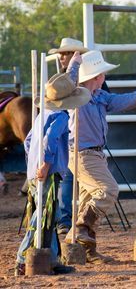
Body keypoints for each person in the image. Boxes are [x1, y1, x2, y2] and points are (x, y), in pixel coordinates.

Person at [64, 50, 136, 264]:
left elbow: (125, 101)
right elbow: (66, 85)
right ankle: (80, 229)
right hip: (82, 153)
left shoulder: (100, 97)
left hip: (92, 154)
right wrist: (74, 66)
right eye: (102, 73)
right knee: (108, 190)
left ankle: (82, 247)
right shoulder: (76, 94)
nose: (104, 76)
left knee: (88, 199)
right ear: (98, 76)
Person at [15, 52, 91, 276]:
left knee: (48, 214)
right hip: (46, 172)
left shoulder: (44, 113)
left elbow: (29, 141)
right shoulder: (60, 117)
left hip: (34, 172)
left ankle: (53, 258)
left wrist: (34, 163)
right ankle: (23, 257)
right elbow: (50, 141)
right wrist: (46, 165)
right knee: (44, 216)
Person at [48, 38, 90, 235]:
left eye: (67, 54)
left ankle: (74, 219)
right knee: (67, 179)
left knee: (69, 179)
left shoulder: (76, 76)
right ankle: (66, 220)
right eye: (62, 54)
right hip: (70, 134)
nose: (62, 57)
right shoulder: (63, 79)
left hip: (81, 134)